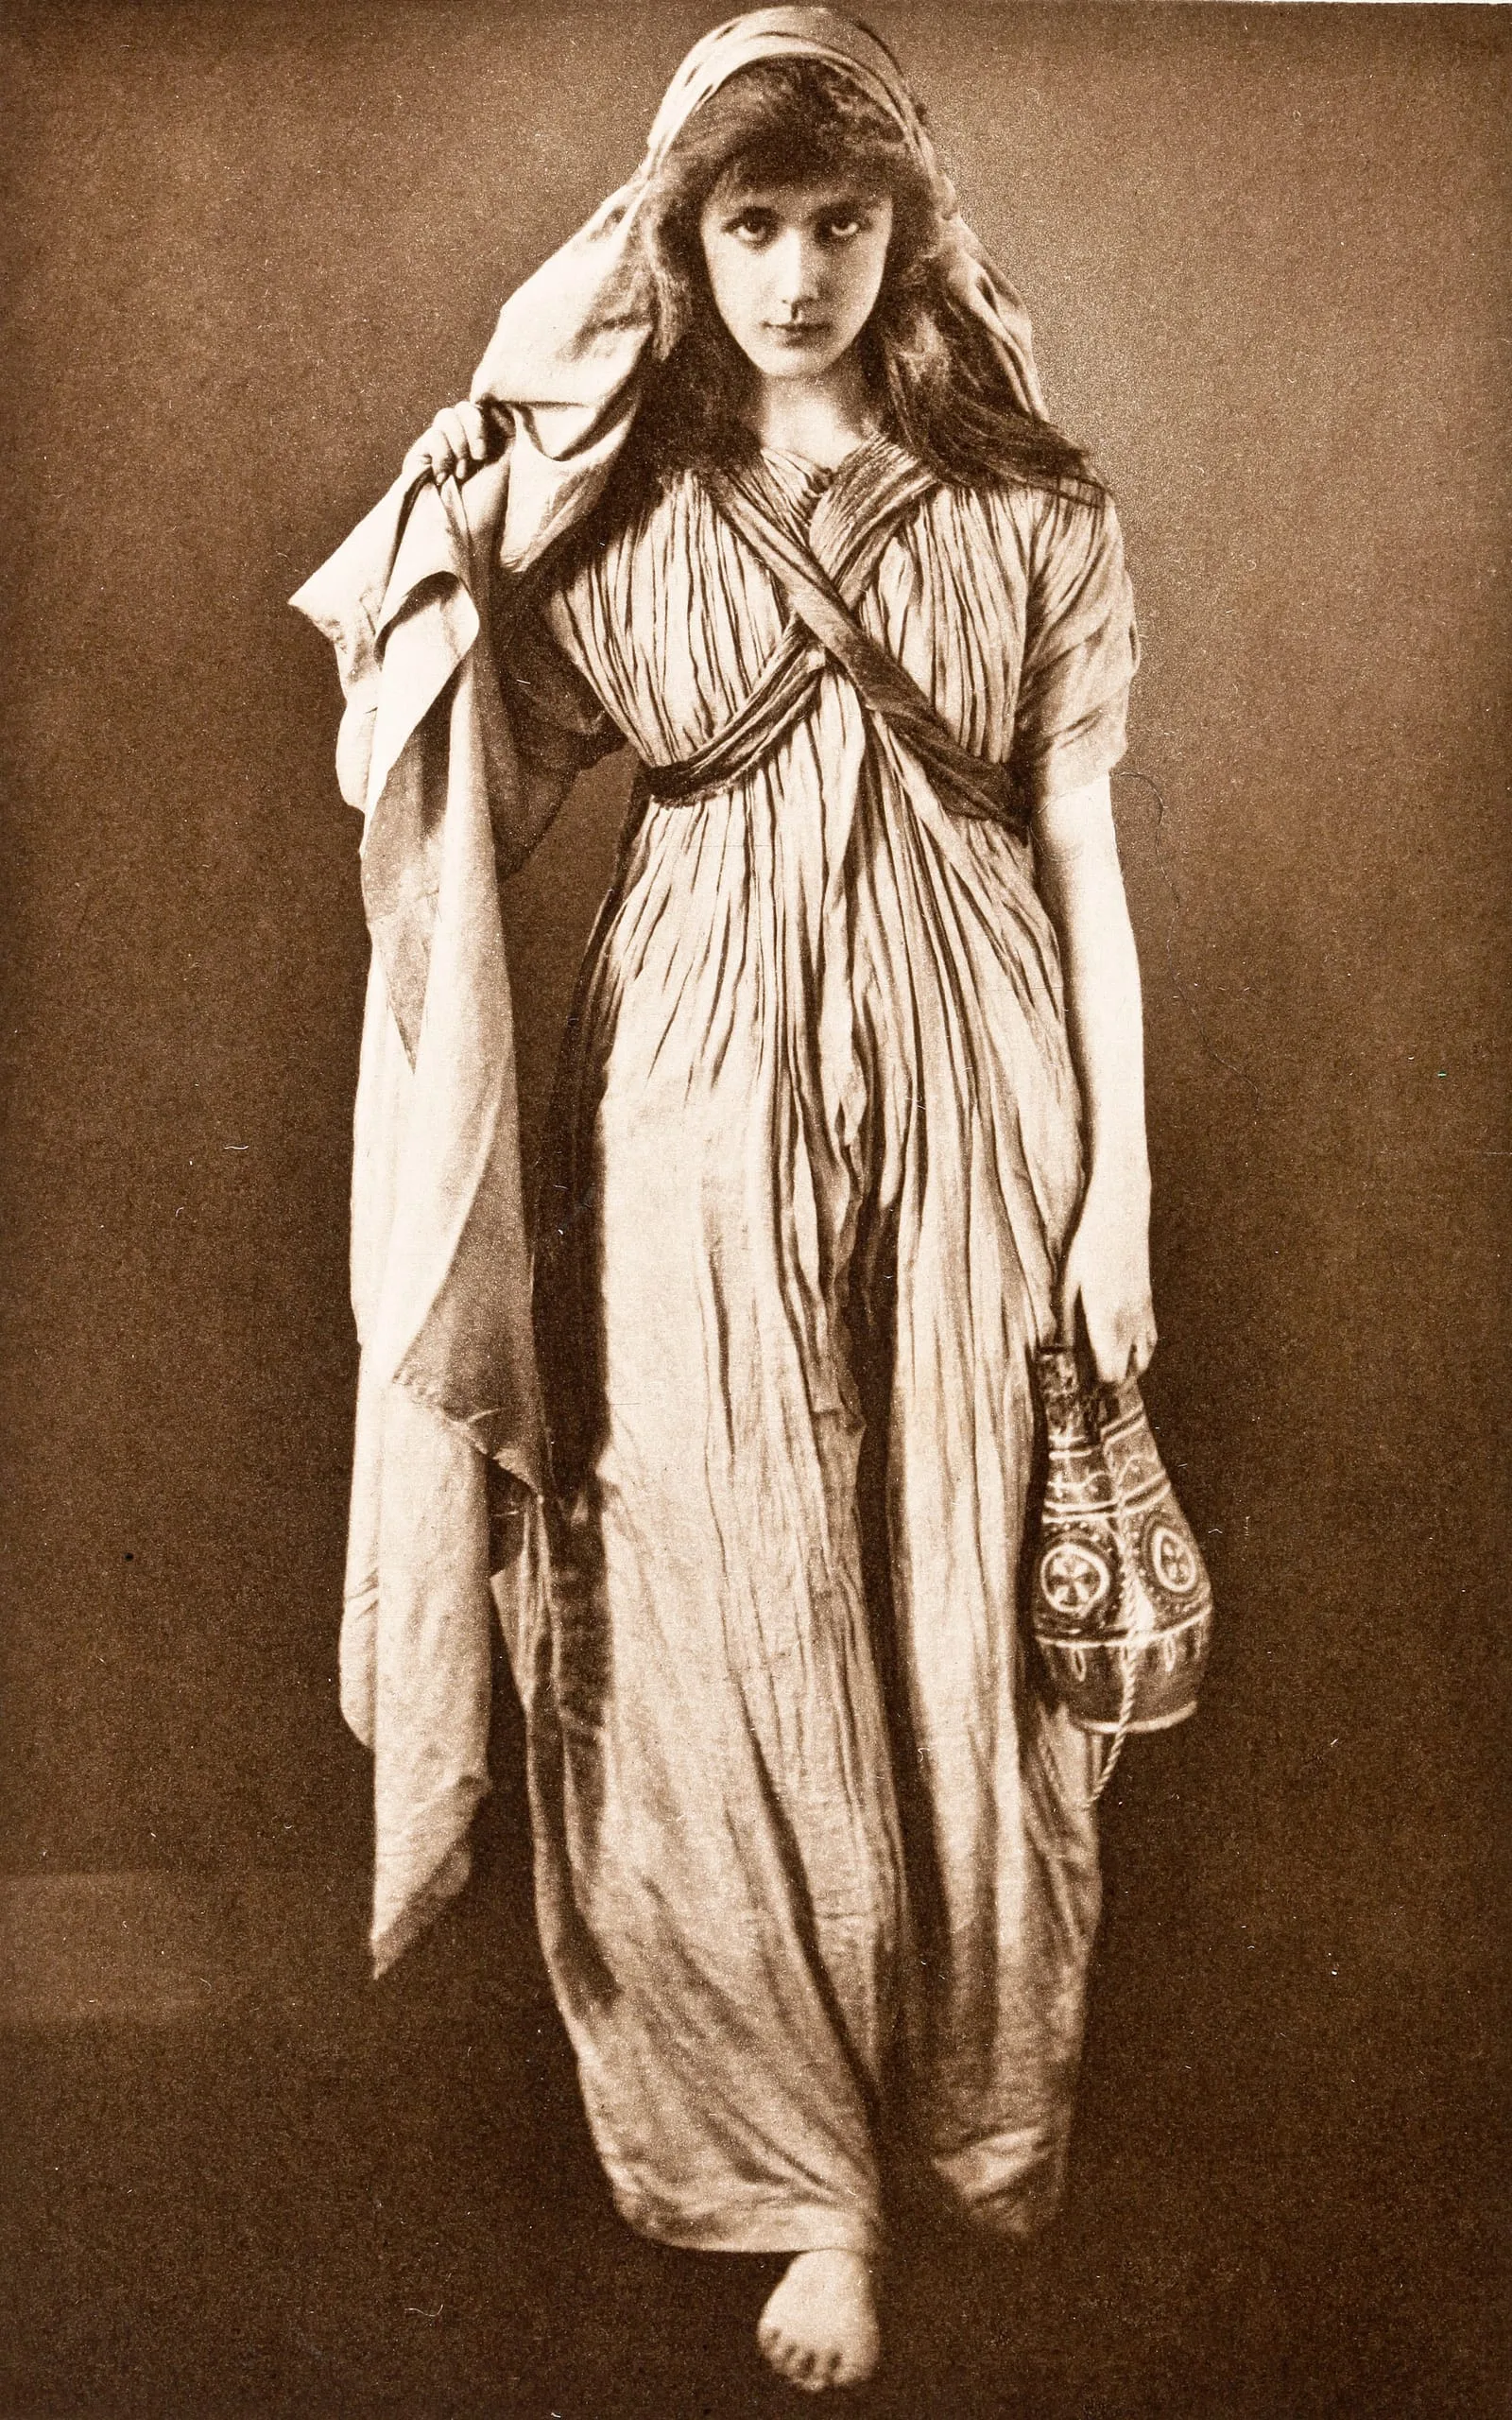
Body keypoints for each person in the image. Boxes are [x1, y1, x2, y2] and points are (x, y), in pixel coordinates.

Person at [302, 8, 1153, 2394]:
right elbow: (434, 744)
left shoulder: (1034, 513)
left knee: (962, 1589)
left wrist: (1120, 1195)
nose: (795, 274)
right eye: (749, 223)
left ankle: (972, 2115)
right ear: (678, 241)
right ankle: (799, 2183)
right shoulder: (610, 509)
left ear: (906, 231)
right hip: (683, 1085)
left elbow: (1079, 853)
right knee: (705, 1583)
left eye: (838, 221)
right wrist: (470, 498)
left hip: (982, 1082)